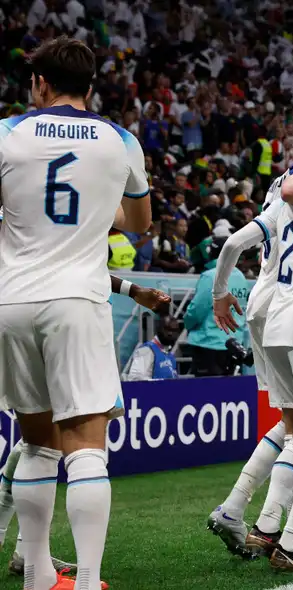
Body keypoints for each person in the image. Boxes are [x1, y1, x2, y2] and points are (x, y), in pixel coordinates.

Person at [0, 37, 152, 590]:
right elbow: (139, 222)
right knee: (86, 445)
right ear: (90, 86)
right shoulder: (119, 140)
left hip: (11, 300)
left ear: (39, 84)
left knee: (36, 440)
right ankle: (87, 581)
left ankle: (38, 575)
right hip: (77, 299)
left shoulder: (7, 133)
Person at [206, 122, 293, 558]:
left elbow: (236, 242)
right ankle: (279, 526)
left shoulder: (281, 183)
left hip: (261, 307)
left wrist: (222, 292)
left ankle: (237, 507)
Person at [0, 275, 167, 578]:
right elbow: (131, 227)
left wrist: (131, 289)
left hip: (15, 306)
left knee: (37, 440)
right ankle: (79, 578)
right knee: (83, 444)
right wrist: (132, 289)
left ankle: (28, 558)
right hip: (75, 311)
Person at [184, 237, 251, 377]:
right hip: (233, 344)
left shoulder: (210, 276)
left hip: (208, 344)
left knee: (207, 395)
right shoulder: (241, 278)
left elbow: (196, 311)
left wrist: (187, 324)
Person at [120, 316, 181, 380]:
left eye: (174, 330)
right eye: (166, 329)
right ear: (158, 329)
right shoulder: (146, 350)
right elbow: (134, 378)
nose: (170, 333)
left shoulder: (170, 355)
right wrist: (160, 383)